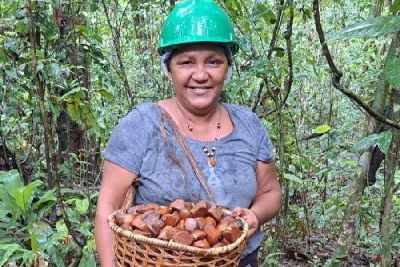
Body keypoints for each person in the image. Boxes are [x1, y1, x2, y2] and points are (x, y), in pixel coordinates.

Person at [94, 0, 281, 266]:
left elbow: (270, 192)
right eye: (186, 62)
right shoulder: (142, 125)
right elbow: (108, 207)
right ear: (169, 68)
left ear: (227, 67)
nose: (200, 74)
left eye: (213, 61)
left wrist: (255, 215)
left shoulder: (248, 125)